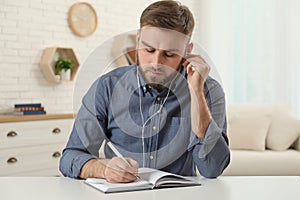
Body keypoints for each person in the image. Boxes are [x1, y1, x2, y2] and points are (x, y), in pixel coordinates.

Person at [60, 0, 230, 183]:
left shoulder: (209, 91)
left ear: (187, 52)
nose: (156, 62)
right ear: (138, 40)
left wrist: (196, 92)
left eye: (170, 54)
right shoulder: (107, 87)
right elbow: (70, 157)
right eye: (149, 49)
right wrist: (103, 169)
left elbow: (212, 168)